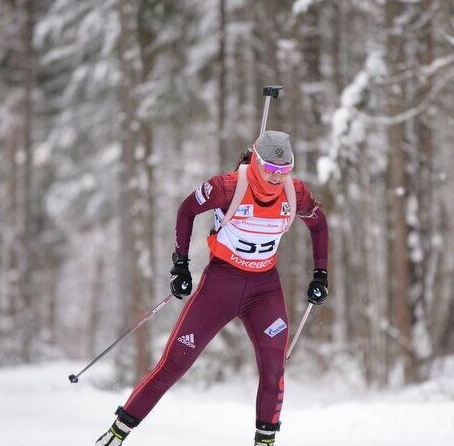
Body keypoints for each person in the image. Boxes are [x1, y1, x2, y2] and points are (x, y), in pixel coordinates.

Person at [94, 130, 329, 446]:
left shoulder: (294, 192)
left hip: (264, 290)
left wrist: (320, 274)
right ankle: (117, 432)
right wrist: (181, 264)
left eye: (284, 171)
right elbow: (187, 209)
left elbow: (318, 223)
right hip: (221, 285)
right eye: (271, 170)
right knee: (175, 363)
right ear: (256, 162)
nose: (277, 178)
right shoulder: (228, 187)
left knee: (274, 369)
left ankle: (265, 442)